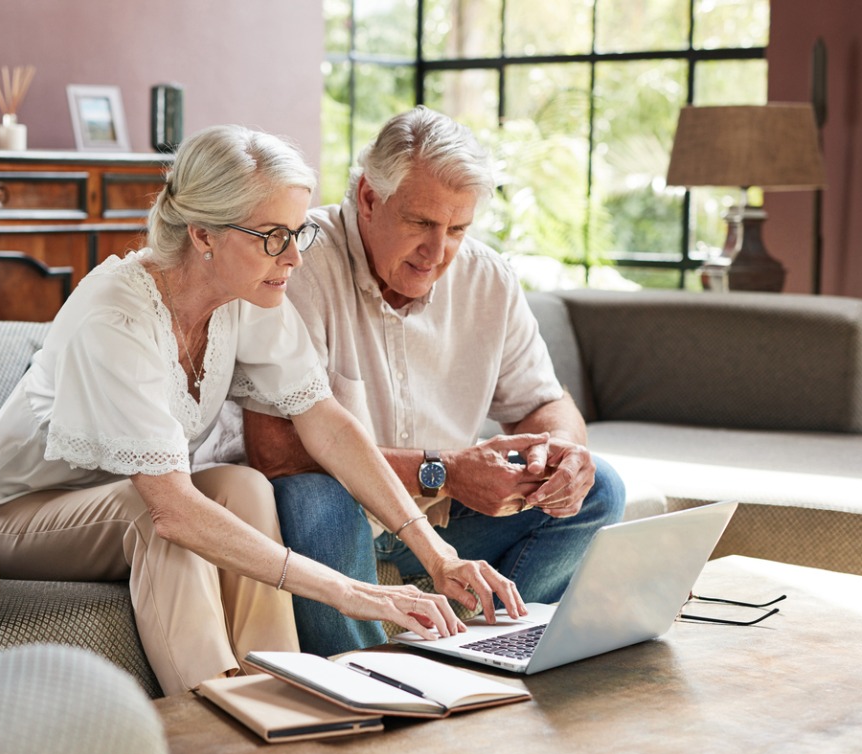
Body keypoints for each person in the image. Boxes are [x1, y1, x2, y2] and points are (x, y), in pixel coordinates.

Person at [0, 124, 521, 696]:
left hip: (120, 500)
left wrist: (437, 554)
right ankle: (213, 724)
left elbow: (326, 424)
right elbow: (171, 508)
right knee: (161, 521)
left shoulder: (246, 295)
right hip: (13, 519)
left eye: (297, 234)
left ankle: (281, 694)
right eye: (272, 236)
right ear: (203, 235)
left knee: (242, 487)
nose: (293, 257)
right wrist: (349, 591)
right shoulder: (115, 317)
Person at [241, 107, 627, 657]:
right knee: (311, 497)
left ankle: (474, 657)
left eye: (458, 229)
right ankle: (368, 676)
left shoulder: (486, 277)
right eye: (422, 223)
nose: (438, 251)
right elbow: (273, 451)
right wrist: (443, 471)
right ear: (369, 199)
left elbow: (543, 401)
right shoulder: (300, 263)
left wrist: (559, 456)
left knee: (601, 489)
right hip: (342, 513)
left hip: (448, 519)